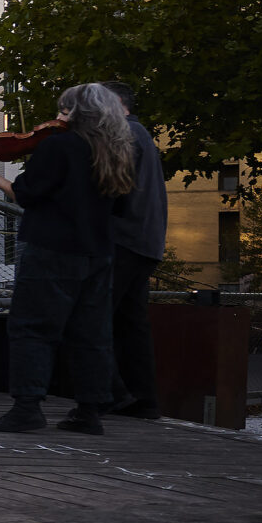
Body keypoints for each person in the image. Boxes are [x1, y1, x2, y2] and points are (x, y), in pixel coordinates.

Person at [0, 83, 137, 435]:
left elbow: (24, 193)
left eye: (64, 111)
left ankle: (27, 408)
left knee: (32, 328)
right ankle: (89, 412)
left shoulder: (59, 146)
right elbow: (122, 207)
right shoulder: (116, 150)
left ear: (76, 113)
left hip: (51, 248)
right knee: (91, 332)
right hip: (98, 253)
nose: (57, 118)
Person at [103, 80, 167, 419]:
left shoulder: (122, 135)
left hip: (122, 238)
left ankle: (113, 394)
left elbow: (110, 189)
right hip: (145, 240)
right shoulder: (140, 133)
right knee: (132, 323)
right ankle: (144, 401)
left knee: (95, 318)